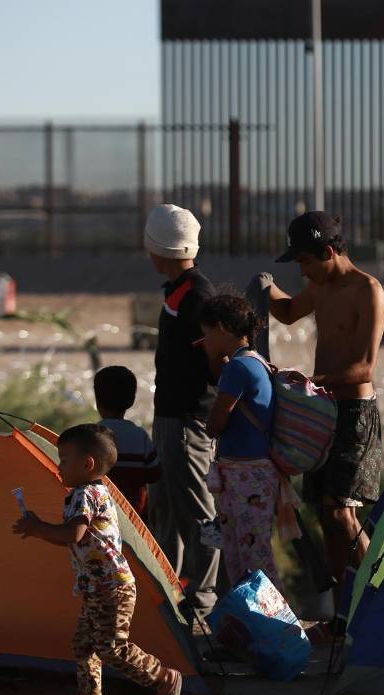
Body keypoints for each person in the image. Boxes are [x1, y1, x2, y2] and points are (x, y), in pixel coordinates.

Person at [12, 423, 183, 695]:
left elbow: (74, 535)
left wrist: (38, 529)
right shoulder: (95, 491)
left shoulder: (83, 494)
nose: (59, 464)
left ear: (87, 463)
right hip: (98, 586)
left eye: (64, 458)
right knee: (84, 645)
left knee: (111, 648)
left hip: (111, 586)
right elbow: (74, 537)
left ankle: (164, 678)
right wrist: (42, 529)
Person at [265, 212, 384, 584]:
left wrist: (309, 383)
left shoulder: (367, 290)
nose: (302, 271)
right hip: (325, 411)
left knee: (341, 514)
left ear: (329, 251)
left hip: (354, 412)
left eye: (305, 260)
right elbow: (287, 313)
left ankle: (374, 591)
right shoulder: (319, 287)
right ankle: (340, 613)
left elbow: (364, 368)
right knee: (324, 515)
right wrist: (265, 286)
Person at [144, 204, 221, 613]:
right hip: (172, 416)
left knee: (197, 509)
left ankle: (204, 597)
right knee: (167, 509)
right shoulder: (180, 292)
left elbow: (212, 359)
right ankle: (169, 588)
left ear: (157, 248)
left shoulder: (196, 296)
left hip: (189, 420)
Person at [199, 292, 290, 596]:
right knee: (243, 551)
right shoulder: (254, 362)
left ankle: (276, 627)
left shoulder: (237, 369)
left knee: (252, 557)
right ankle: (251, 628)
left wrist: (214, 363)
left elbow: (215, 424)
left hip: (244, 474)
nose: (205, 340)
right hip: (252, 472)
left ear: (221, 329)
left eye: (206, 333)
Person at [94, 366, 160, 516]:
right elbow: (154, 474)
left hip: (100, 513)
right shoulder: (140, 436)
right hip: (135, 515)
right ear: (131, 401)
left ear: (98, 401)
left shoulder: (89, 436)